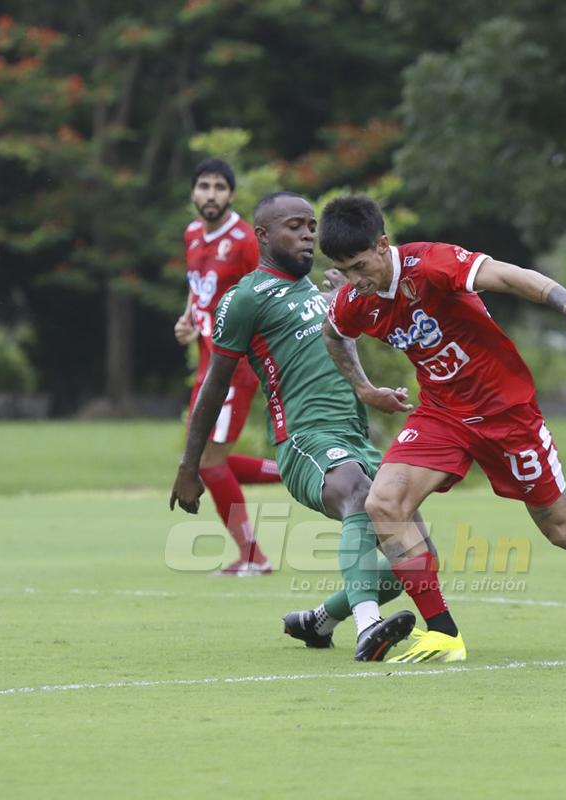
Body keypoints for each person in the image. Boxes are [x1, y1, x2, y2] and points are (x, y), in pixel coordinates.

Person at [317, 195, 566, 664]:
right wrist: (366, 389)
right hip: (442, 414)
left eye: (359, 266)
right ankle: (444, 633)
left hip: (507, 414)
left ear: (383, 245)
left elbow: (513, 277)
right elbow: (334, 334)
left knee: (562, 530)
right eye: (343, 271)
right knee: (383, 502)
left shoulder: (431, 265)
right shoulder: (357, 300)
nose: (353, 281)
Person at [170, 191, 420, 661]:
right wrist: (190, 465)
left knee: (419, 560)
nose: (308, 234)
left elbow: (351, 343)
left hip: (355, 439)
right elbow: (212, 387)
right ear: (263, 236)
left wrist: (370, 388)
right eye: (295, 226)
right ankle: (369, 627)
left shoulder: (327, 290)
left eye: (311, 226)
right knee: (358, 497)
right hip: (305, 440)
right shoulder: (245, 298)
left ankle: (319, 620)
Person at [173, 158, 281, 576]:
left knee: (206, 463)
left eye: (219, 187)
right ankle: (293, 472)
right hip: (207, 360)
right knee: (204, 459)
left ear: (231, 194)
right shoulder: (192, 235)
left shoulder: (243, 241)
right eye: (204, 186)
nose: (211, 194)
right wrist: (189, 319)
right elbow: (197, 286)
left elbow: (267, 292)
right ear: (193, 193)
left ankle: (253, 556)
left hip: (233, 366)